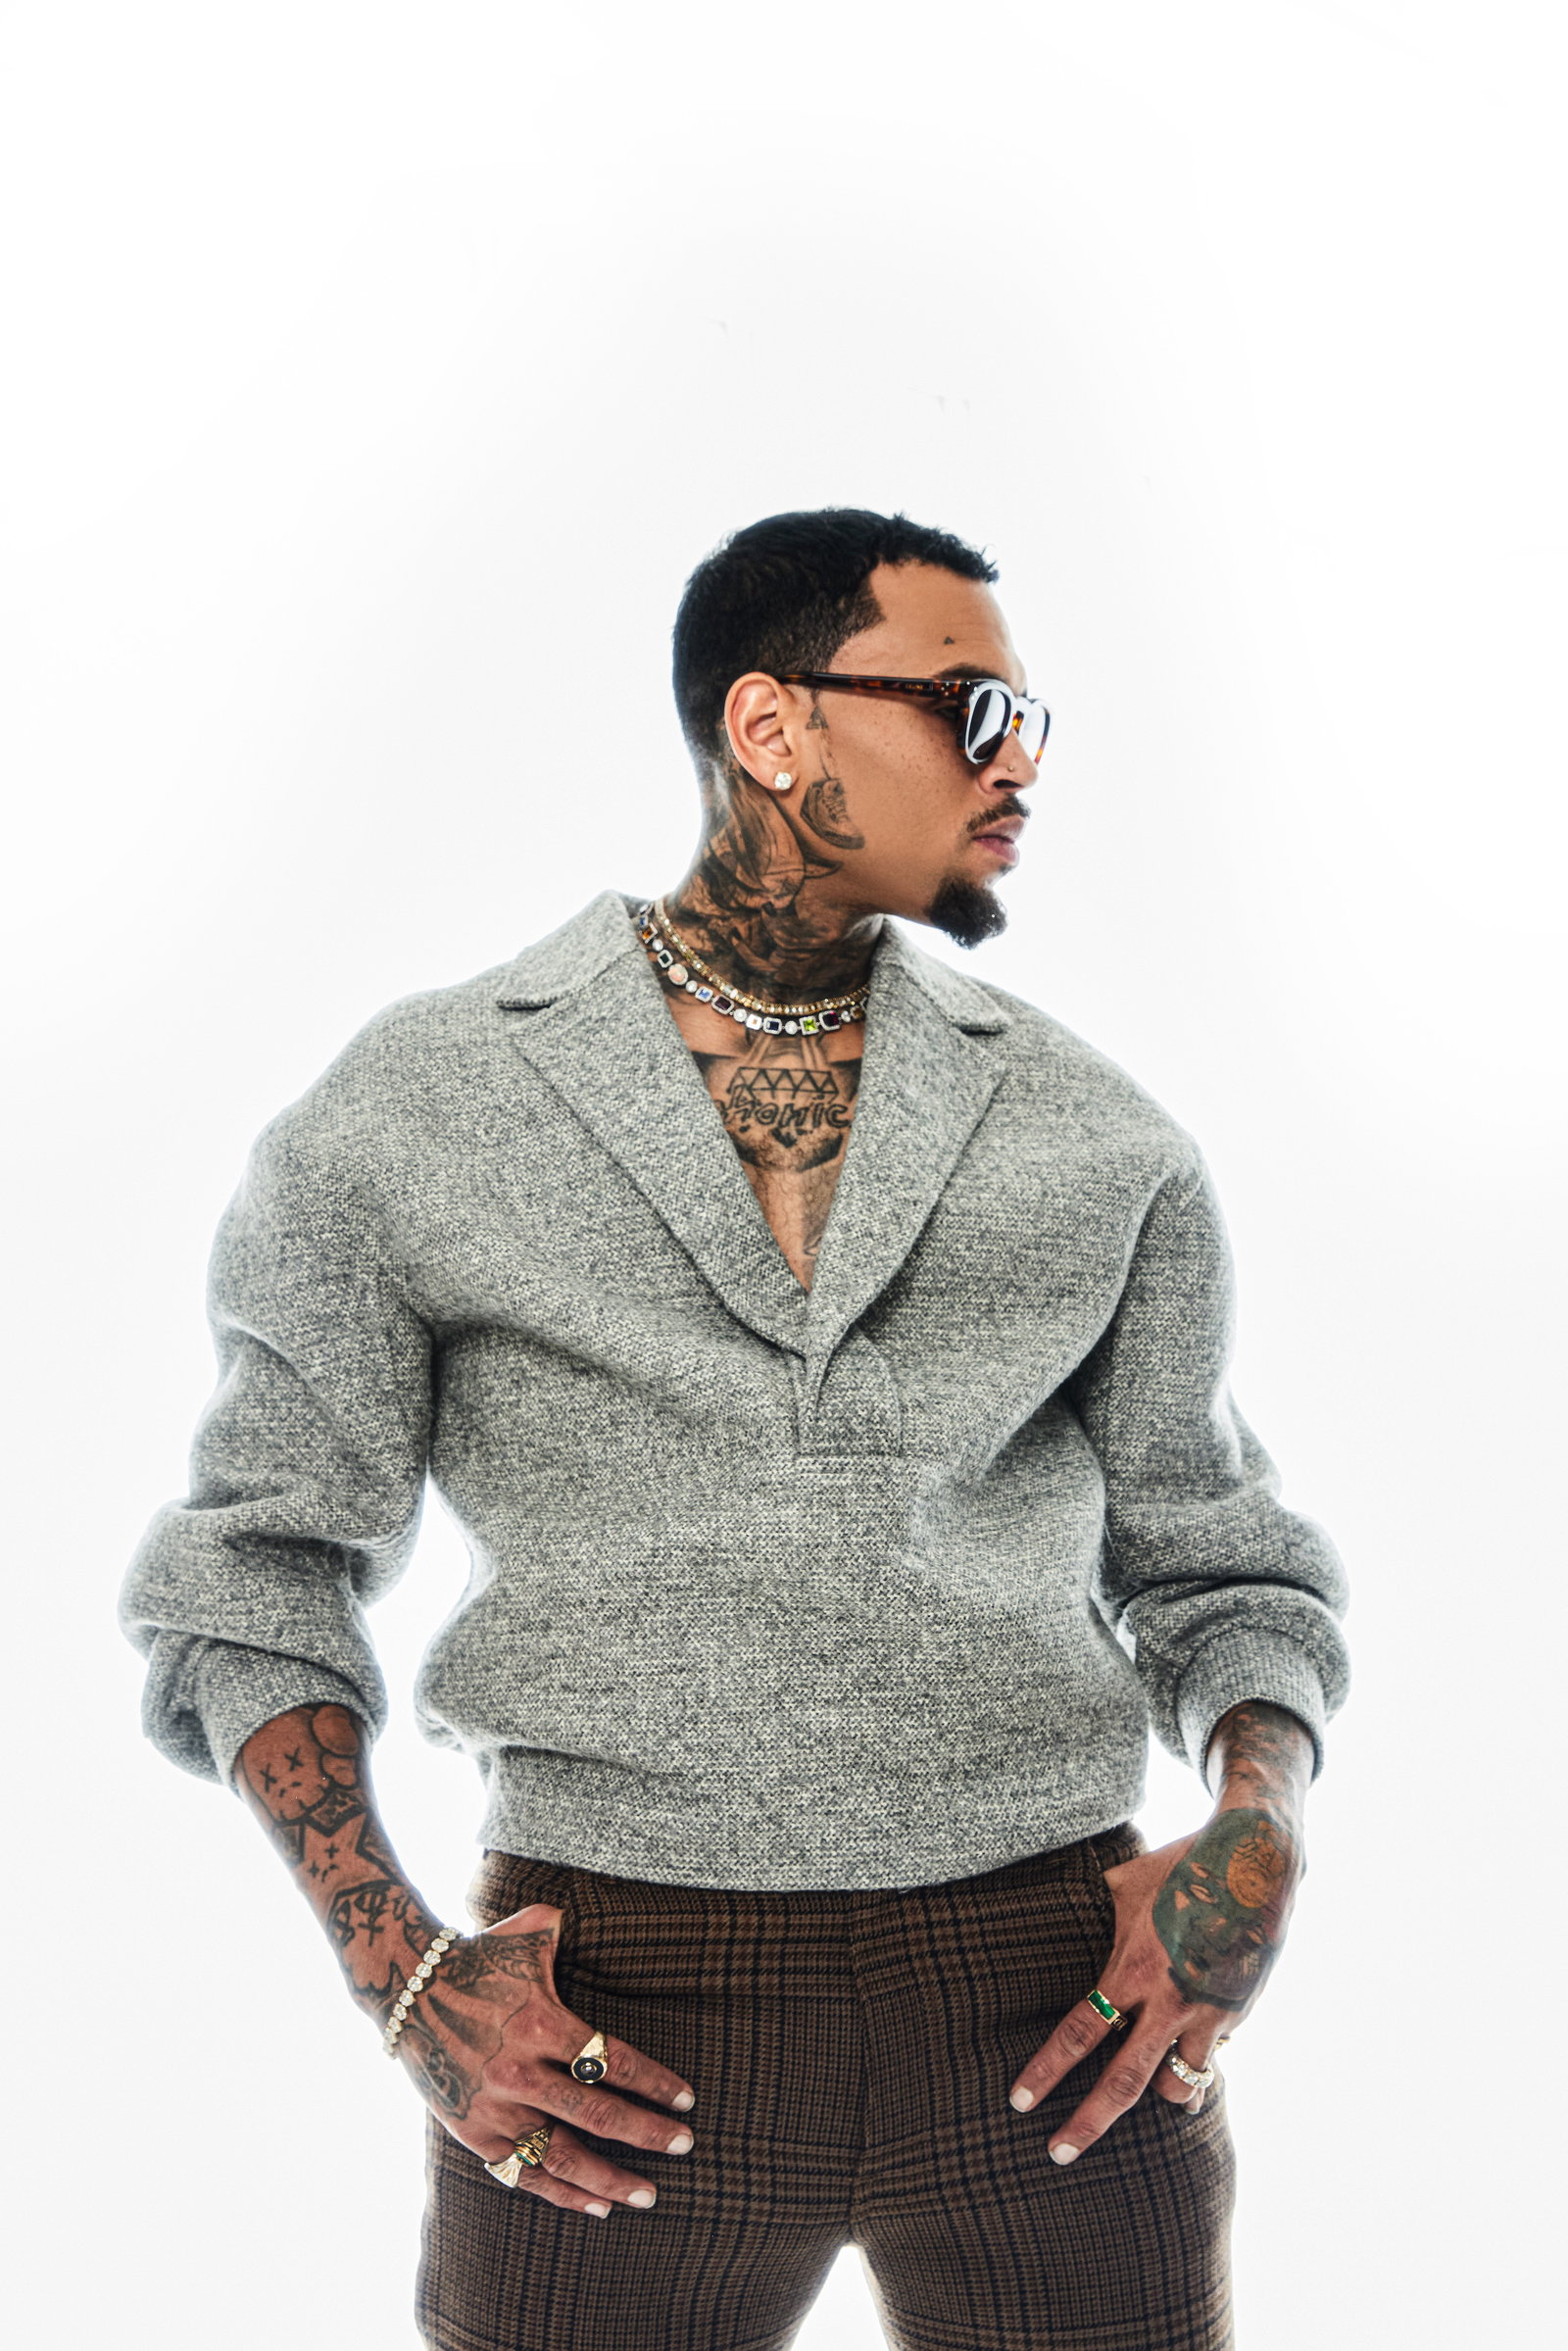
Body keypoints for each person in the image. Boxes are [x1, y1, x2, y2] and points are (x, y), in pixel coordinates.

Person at [121, 506, 1350, 2351]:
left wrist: (1257, 1826)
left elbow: (1221, 1568)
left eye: (1033, 722)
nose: (1019, 767)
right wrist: (399, 1973)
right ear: (772, 726)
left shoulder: (1103, 1139)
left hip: (1062, 2004)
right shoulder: (420, 1106)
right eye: (975, 710)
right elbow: (254, 1573)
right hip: (605, 2008)